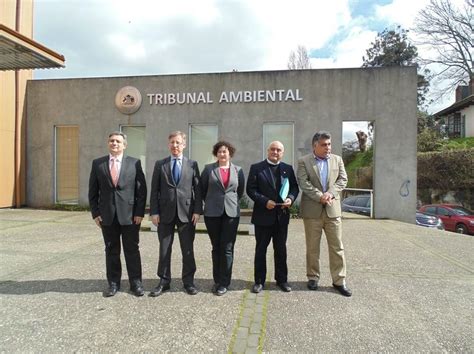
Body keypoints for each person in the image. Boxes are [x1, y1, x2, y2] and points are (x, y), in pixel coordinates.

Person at [88, 131, 147, 297]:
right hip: (107, 216)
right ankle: (113, 283)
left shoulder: (134, 163)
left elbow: (141, 191)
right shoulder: (98, 164)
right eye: (112, 141)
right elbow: (93, 192)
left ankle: (136, 283)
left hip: (130, 216)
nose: (114, 143)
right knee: (111, 250)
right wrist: (95, 213)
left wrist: (139, 212)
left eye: (118, 141)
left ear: (124, 145)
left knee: (132, 250)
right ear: (108, 143)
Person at [296, 131, 352, 297]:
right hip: (312, 211)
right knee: (312, 248)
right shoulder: (303, 161)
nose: (328, 147)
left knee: (337, 247)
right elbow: (303, 182)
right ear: (315, 146)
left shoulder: (337, 160)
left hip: (332, 210)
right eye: (324, 144)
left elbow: (343, 179)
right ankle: (313, 277)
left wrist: (331, 193)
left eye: (329, 144)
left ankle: (339, 280)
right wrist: (320, 196)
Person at [149, 131, 202, 296]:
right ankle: (164, 281)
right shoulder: (160, 164)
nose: (175, 145)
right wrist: (154, 212)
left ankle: (188, 282)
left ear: (184, 145)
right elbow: (154, 190)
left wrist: (197, 211)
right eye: (172, 142)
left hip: (187, 214)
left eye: (178, 142)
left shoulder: (192, 165)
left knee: (187, 249)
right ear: (168, 144)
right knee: (164, 249)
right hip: (165, 214)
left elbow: (198, 190)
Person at [246, 141, 299, 293]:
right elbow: (251, 189)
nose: (275, 152)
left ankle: (282, 280)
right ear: (268, 151)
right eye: (273, 149)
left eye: (279, 150)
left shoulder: (287, 169)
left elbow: (295, 187)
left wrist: (290, 198)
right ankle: (259, 281)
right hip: (263, 216)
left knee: (281, 250)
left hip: (281, 217)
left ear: (283, 153)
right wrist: (264, 201)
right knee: (261, 250)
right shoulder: (257, 168)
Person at [201, 141, 245, 296]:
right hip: (212, 213)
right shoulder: (208, 170)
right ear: (216, 154)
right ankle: (217, 280)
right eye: (219, 151)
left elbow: (239, 191)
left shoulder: (238, 170)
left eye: (225, 151)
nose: (222, 154)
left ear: (230, 153)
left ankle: (224, 282)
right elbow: (202, 189)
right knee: (216, 247)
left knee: (227, 248)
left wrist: (230, 203)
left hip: (231, 214)